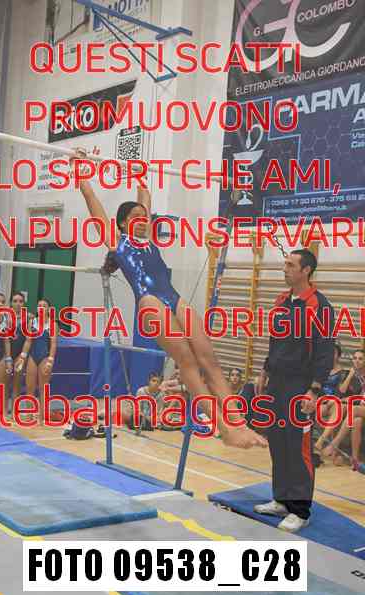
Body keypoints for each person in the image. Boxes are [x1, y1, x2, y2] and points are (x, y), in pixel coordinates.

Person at [71, 147, 266, 450]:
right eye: (135, 217)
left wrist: (138, 172)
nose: (142, 220)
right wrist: (79, 167)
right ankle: (223, 427)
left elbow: (145, 193)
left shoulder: (149, 239)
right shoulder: (117, 241)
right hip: (149, 300)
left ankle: (239, 423)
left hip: (172, 297)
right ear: (121, 224)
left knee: (209, 358)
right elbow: (91, 199)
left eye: (144, 217)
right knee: (186, 359)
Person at [254, 250, 335, 533]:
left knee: (298, 448)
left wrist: (314, 390)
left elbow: (325, 353)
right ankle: (281, 499)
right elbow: (275, 341)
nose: (284, 268)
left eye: (290, 265)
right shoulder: (281, 301)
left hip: (300, 387)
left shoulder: (320, 307)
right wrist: (265, 370)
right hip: (276, 383)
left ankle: (300, 510)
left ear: (306, 270)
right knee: (278, 442)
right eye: (285, 263)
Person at [323, 348, 365, 471]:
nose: (357, 361)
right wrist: (350, 375)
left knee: (353, 409)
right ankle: (354, 460)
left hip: (358, 407)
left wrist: (345, 399)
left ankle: (334, 444)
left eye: (360, 359)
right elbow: (342, 392)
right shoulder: (351, 375)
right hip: (359, 408)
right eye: (355, 358)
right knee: (356, 420)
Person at [25, 298, 58, 424]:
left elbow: (53, 344)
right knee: (30, 387)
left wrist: (50, 360)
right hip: (32, 357)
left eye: (44, 306)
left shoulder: (53, 325)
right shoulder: (32, 322)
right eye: (39, 306)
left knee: (43, 388)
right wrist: (23, 356)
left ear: (49, 309)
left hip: (45, 357)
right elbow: (28, 341)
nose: (41, 308)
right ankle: (29, 414)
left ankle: (42, 416)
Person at [314, 341, 346, 453]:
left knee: (338, 408)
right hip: (320, 401)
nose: (331, 355)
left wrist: (332, 400)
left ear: (338, 356)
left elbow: (341, 391)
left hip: (333, 402)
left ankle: (321, 442)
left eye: (334, 353)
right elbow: (315, 386)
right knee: (318, 411)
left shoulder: (342, 372)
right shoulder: (321, 369)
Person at [7, 291, 33, 417]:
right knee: (3, 383)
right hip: (5, 353)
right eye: (15, 301)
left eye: (21, 301)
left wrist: (22, 356)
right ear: (11, 303)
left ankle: (14, 412)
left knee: (16, 384)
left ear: (24, 303)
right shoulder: (4, 316)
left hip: (20, 353)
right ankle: (3, 411)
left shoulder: (28, 318)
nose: (18, 304)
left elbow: (28, 339)